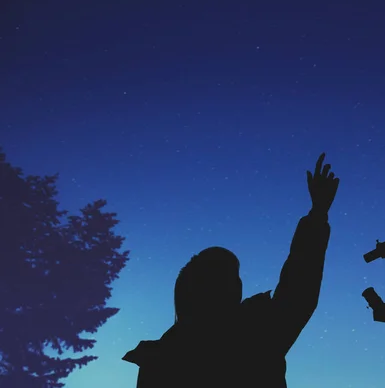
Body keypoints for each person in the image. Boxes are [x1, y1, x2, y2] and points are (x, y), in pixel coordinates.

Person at [122, 153, 340, 387]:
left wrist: (317, 216)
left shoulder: (160, 356)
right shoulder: (254, 335)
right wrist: (317, 215)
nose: (238, 285)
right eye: (230, 278)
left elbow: (298, 292)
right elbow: (299, 291)